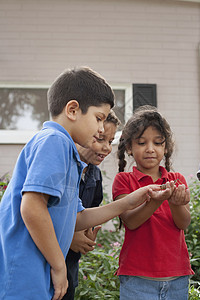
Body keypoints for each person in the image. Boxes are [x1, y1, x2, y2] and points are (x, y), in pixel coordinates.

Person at [0, 67, 173, 300]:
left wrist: (131, 200)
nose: (101, 128)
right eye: (99, 118)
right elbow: (31, 207)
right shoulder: (55, 141)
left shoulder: (71, 156)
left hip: (39, 273)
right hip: (24, 274)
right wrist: (59, 265)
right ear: (72, 110)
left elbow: (78, 218)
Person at [112, 105, 194, 300]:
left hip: (177, 277)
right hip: (137, 279)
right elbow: (131, 221)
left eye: (157, 143)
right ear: (129, 148)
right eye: (141, 143)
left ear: (165, 148)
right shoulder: (124, 180)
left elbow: (183, 224)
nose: (150, 149)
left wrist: (175, 202)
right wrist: (157, 201)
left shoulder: (176, 179)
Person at [63, 110, 120, 299]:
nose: (107, 148)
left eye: (110, 141)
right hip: (45, 261)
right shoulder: (63, 166)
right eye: (100, 139)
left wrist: (88, 232)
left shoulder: (94, 175)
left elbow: (92, 210)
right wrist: (70, 235)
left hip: (69, 264)